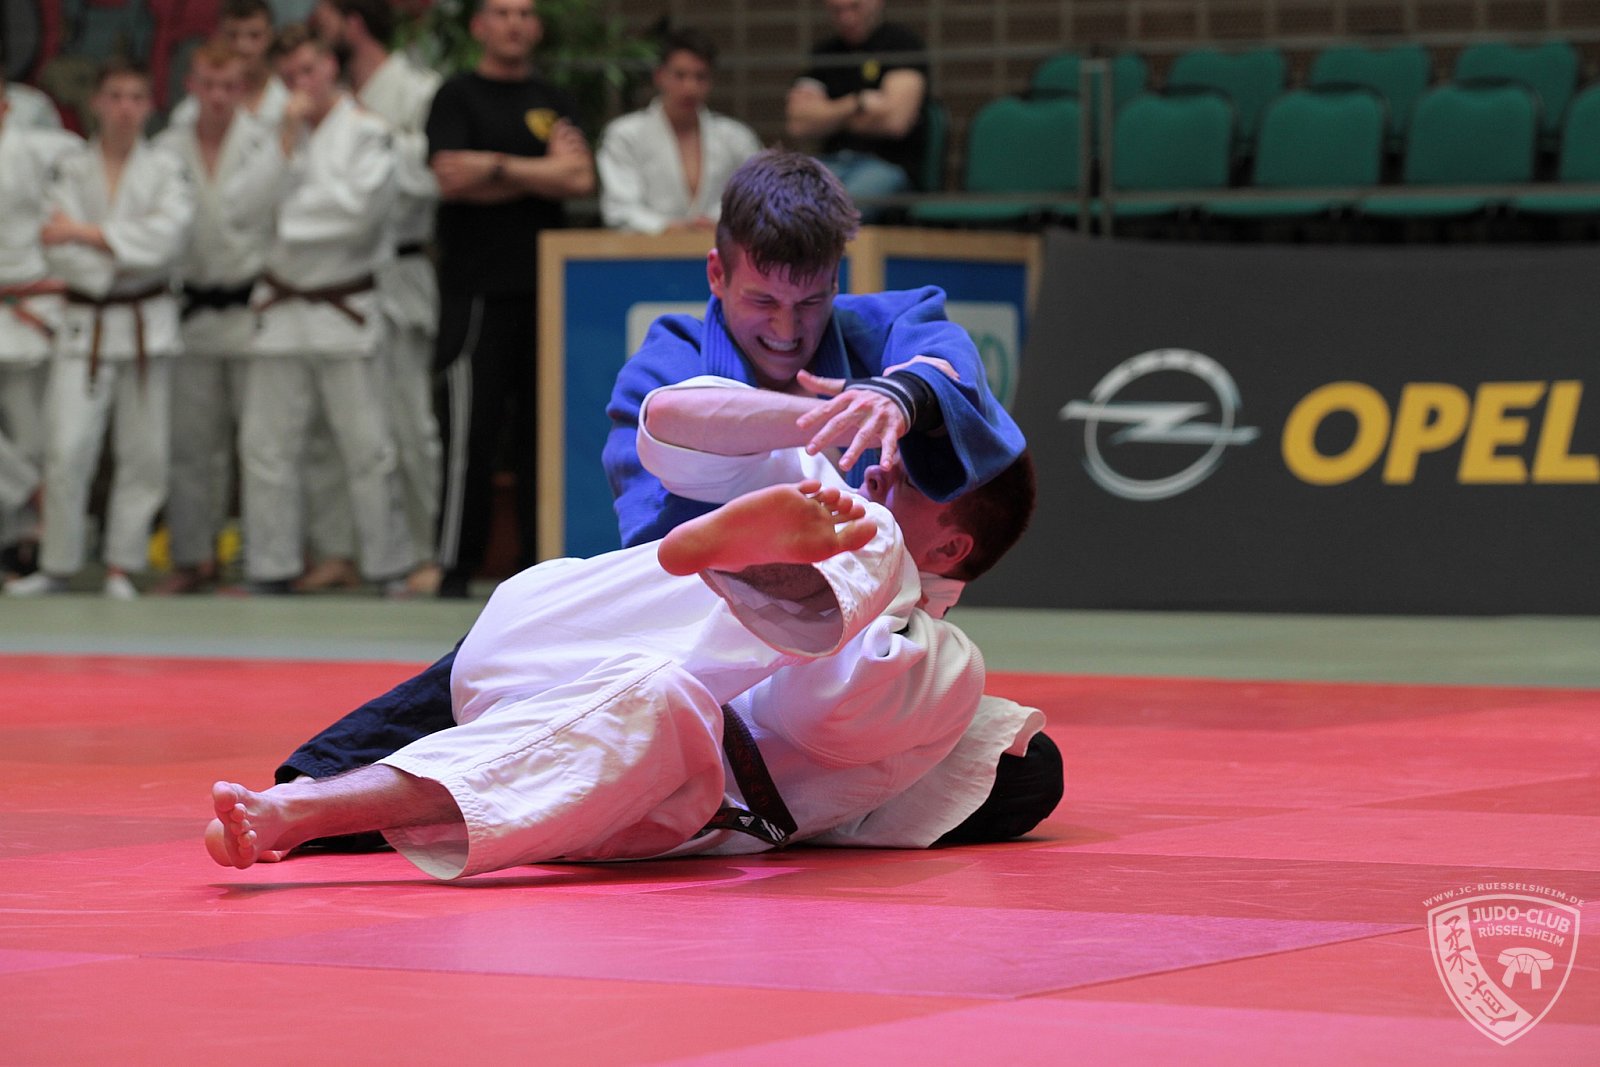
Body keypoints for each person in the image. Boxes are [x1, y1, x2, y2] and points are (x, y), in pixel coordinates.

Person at [207, 383, 1046, 877]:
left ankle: (306, 807)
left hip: (641, 771)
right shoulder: (822, 483)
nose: (887, 462)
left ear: (954, 548)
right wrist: (815, 419)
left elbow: (812, 714)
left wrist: (875, 549)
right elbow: (667, 422)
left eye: (916, 480)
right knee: (830, 542)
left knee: (667, 697)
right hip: (541, 639)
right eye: (900, 451)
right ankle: (749, 569)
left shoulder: (947, 666)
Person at [606, 148, 1022, 550]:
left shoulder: (886, 326)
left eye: (809, 302)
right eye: (763, 301)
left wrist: (907, 396)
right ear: (717, 273)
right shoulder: (662, 368)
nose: (786, 329)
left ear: (835, 280)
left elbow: (954, 370)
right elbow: (657, 547)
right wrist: (846, 421)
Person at [4, 61, 193, 599]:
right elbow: (54, 246)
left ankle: (120, 565)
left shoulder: (165, 169)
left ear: (149, 106)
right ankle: (58, 563)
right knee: (67, 448)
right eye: (115, 96)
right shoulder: (68, 169)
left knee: (144, 452)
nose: (125, 108)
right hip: (84, 323)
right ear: (97, 103)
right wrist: (119, 254)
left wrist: (87, 233)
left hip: (146, 327)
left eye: (136, 97)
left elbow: (169, 238)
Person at [425, 0, 595, 598]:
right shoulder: (457, 96)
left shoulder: (553, 100)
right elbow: (450, 177)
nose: (514, 23)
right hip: (477, 291)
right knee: (471, 434)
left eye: (524, 13)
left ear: (537, 27)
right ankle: (455, 565)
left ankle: (535, 567)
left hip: (544, 290)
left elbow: (578, 178)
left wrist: (493, 168)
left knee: (539, 434)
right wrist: (534, 172)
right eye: (501, 13)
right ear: (479, 27)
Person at [233, 25, 411, 596]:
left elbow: (357, 215)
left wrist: (282, 216)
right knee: (266, 449)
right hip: (280, 309)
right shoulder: (269, 132)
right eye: (289, 77)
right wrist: (284, 144)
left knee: (367, 448)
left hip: (345, 308)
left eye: (308, 71)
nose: (300, 85)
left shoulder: (368, 132)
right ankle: (272, 567)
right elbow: (242, 211)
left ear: (332, 66)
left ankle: (386, 567)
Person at [299, 0, 445, 598]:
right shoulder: (323, 91)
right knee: (331, 428)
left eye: (323, 17)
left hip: (398, 267)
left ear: (352, 22)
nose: (314, 28)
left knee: (408, 422)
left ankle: (422, 552)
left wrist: (368, 134)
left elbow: (429, 173)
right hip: (331, 271)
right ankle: (341, 550)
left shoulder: (416, 91)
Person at [151, 40, 285, 595]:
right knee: (190, 446)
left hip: (253, 308)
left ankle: (264, 563)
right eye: (208, 84)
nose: (218, 96)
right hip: (191, 310)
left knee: (259, 446)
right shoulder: (166, 147)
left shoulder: (265, 144)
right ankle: (192, 557)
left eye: (229, 86)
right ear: (191, 85)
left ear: (242, 88)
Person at [0, 80, 81, 578]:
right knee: (18, 452)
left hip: (27, 306)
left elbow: (88, 169)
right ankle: (30, 492)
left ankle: (22, 542)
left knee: (30, 435)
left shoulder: (41, 148)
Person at [597, 27, 761, 234]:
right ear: (659, 76)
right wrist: (667, 228)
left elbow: (756, 201)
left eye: (700, 77)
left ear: (711, 81)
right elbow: (619, 210)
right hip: (646, 250)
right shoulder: (624, 135)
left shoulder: (737, 137)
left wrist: (719, 224)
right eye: (680, 75)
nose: (690, 87)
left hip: (719, 247)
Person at [784, 0, 928, 213]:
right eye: (837, 10)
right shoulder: (825, 53)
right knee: (784, 203)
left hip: (887, 166)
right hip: (831, 163)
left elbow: (895, 122)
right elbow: (798, 123)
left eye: (855, 7)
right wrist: (858, 103)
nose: (847, 18)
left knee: (838, 210)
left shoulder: (901, 44)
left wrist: (829, 115)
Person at [168, 0, 289, 129]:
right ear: (219, 37)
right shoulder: (190, 114)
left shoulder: (288, 98)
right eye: (232, 35)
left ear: (270, 37)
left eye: (254, 36)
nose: (242, 47)